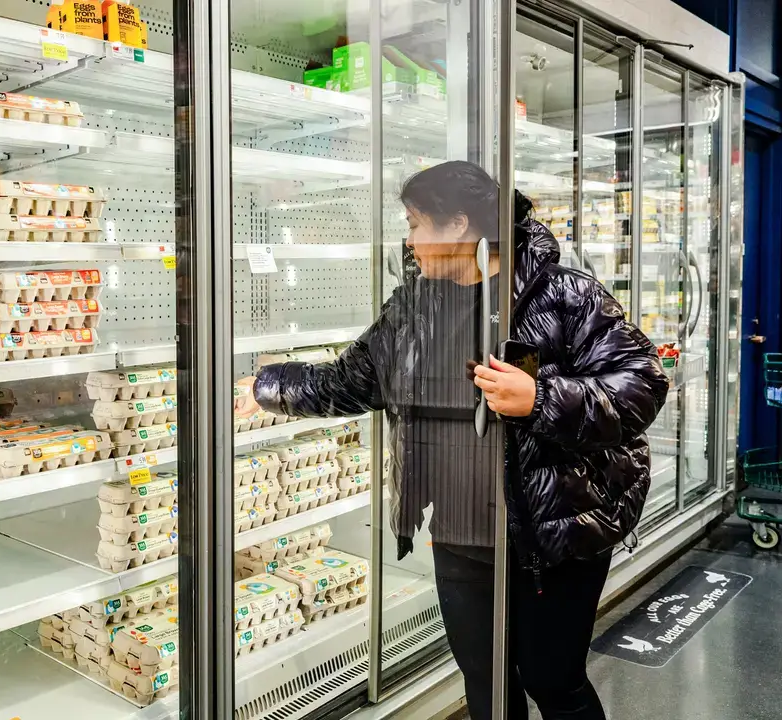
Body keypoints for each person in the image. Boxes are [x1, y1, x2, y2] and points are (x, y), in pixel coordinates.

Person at [234, 161, 668, 720]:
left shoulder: (563, 295)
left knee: (551, 679)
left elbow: (642, 385)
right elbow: (352, 381)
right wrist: (269, 386)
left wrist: (541, 398)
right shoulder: (415, 305)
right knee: (485, 684)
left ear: (459, 224)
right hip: (462, 532)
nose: (409, 239)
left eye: (416, 223)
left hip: (553, 532)